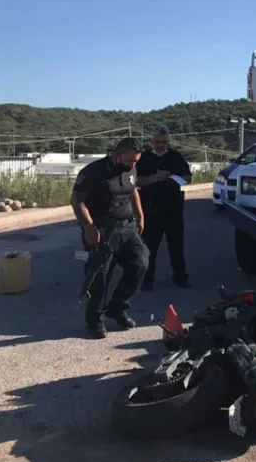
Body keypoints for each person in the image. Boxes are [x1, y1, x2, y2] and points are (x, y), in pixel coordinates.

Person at [70, 137, 149, 339]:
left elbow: (133, 190)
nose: (133, 164)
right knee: (100, 275)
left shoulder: (131, 167)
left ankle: (118, 308)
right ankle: (95, 319)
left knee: (140, 264)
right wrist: (88, 227)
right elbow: (76, 199)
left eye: (136, 161)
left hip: (127, 227)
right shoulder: (93, 171)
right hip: (102, 230)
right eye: (130, 160)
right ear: (118, 153)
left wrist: (140, 215)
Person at [135, 126, 193, 289]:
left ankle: (180, 277)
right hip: (150, 208)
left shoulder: (176, 157)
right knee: (149, 247)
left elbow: (188, 177)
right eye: (157, 142)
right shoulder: (143, 159)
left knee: (176, 245)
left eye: (164, 142)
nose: (161, 145)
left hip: (173, 207)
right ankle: (146, 280)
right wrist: (157, 177)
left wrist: (173, 178)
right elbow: (136, 181)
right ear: (150, 142)